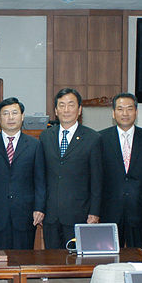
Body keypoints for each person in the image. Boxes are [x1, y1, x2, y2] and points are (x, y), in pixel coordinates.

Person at [0, 97, 45, 250]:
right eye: (6, 113)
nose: (11, 117)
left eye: (15, 113)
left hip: (26, 215)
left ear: (22, 116)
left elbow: (40, 181)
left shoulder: (35, 145)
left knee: (24, 261)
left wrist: (39, 208)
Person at [39, 88, 102, 250]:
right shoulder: (46, 136)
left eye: (71, 105)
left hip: (79, 213)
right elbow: (40, 176)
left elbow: (97, 179)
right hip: (51, 214)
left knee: (76, 261)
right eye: (62, 105)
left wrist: (94, 212)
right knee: (51, 259)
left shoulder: (93, 138)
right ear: (55, 110)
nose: (66, 110)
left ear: (79, 109)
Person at [99, 93, 142, 248]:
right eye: (120, 109)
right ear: (113, 113)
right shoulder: (100, 138)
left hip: (139, 209)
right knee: (110, 257)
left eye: (129, 109)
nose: (125, 113)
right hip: (110, 209)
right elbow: (96, 176)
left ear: (136, 112)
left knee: (137, 256)